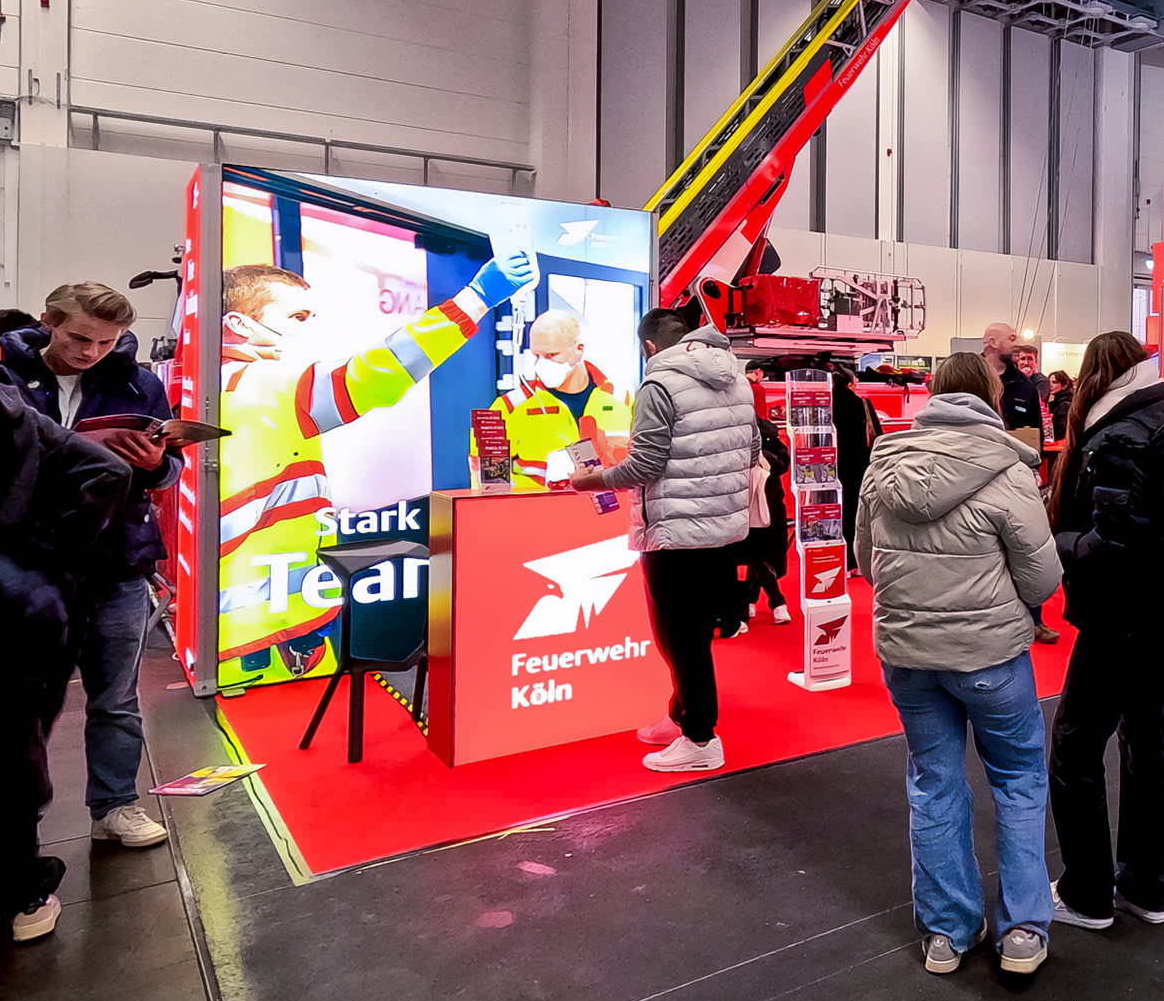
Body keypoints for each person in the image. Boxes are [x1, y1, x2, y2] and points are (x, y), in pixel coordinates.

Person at [215, 253, 536, 689]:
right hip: (262, 633)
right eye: (297, 316)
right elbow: (380, 373)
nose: (309, 328)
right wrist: (476, 299)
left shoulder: (212, 382)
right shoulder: (263, 383)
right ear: (240, 325)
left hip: (255, 615)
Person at [853, 352, 1061, 976]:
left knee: (932, 781)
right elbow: (1042, 577)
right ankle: (1023, 928)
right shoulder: (1008, 471)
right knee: (1019, 780)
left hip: (909, 655)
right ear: (992, 397)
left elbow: (867, 562)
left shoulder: (882, 465)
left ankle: (947, 931)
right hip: (990, 654)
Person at [0, 284, 180, 848]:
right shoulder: (1, 379)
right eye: (80, 337)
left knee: (116, 693)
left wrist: (154, 465)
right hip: (30, 564)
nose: (91, 351)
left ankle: (116, 804)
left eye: (106, 341)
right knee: (18, 702)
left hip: (117, 557)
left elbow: (168, 468)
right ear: (49, 321)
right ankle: (14, 829)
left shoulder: (140, 382)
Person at [1046, 332, 1164, 931]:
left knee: (1075, 742)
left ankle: (1087, 892)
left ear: (1096, 375)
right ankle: (1147, 887)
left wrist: (1055, 542)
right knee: (1146, 737)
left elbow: (1112, 543)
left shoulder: (1117, 435)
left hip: (1127, 608)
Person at [571, 309, 759, 773]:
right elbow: (754, 450)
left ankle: (700, 739)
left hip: (675, 532)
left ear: (650, 347)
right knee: (692, 635)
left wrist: (590, 480)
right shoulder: (737, 379)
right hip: (724, 529)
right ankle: (682, 716)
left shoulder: (658, 386)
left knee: (680, 638)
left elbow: (645, 467)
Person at [0, 377, 131, 948]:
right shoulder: (10, 402)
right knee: (15, 749)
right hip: (19, 602)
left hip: (19, 603)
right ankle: (21, 888)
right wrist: (44, 555)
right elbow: (105, 471)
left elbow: (120, 471)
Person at [479, 310, 632, 489]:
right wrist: (547, 485)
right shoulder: (507, 407)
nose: (541, 364)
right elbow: (488, 484)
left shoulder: (623, 399)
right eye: (537, 355)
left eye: (551, 355)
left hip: (612, 512)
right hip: (540, 513)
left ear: (578, 349)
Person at [740, 412, 792, 629]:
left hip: (768, 503)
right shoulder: (727, 429)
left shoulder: (766, 430)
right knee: (753, 552)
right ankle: (775, 601)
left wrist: (765, 459)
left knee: (760, 553)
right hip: (740, 504)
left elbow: (784, 462)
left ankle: (749, 600)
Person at [832, 367, 881, 571]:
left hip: (832, 465)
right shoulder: (862, 403)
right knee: (855, 511)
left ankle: (833, 556)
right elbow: (877, 434)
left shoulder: (826, 404)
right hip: (858, 464)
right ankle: (854, 562)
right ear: (850, 383)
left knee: (835, 510)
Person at [983, 323, 1044, 447]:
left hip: (1013, 463)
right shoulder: (969, 378)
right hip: (972, 461)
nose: (1019, 344)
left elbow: (1037, 433)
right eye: (1011, 339)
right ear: (993, 342)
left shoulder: (1025, 385)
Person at [1012, 342, 1052, 408]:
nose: (1026, 363)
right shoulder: (1014, 377)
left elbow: (1032, 402)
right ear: (1017, 362)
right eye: (1022, 359)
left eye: (1030, 359)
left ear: (1036, 362)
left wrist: (1024, 377)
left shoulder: (1042, 381)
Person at [1047, 370, 1072, 441]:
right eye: (1049, 382)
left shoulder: (1064, 404)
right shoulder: (1057, 401)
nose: (1050, 385)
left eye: (1054, 382)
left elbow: (1062, 429)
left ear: (1064, 386)